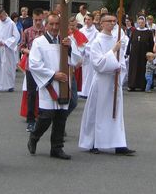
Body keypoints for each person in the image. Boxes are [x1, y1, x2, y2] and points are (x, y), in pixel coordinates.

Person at [27, 12, 82, 160]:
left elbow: (77, 59)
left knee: (61, 117)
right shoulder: (39, 42)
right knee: (46, 116)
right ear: (46, 25)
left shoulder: (66, 40)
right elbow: (34, 64)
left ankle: (57, 148)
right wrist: (52, 75)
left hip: (64, 84)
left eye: (57, 24)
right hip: (49, 84)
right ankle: (34, 137)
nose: (54, 27)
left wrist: (70, 48)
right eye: (51, 24)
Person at [78, 13, 135, 155]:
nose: (112, 23)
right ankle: (93, 142)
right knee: (98, 111)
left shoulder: (117, 39)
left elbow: (122, 60)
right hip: (101, 81)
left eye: (114, 21)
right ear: (101, 23)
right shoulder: (97, 41)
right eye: (108, 21)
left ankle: (118, 143)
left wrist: (119, 69)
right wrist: (113, 51)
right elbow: (97, 63)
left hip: (114, 80)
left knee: (115, 113)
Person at [19, 8, 45, 132]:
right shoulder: (27, 31)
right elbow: (21, 46)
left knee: (44, 92)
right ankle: (30, 119)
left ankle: (43, 116)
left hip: (44, 66)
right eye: (36, 20)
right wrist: (29, 52)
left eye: (40, 20)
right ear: (33, 19)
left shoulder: (47, 32)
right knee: (31, 93)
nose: (38, 22)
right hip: (31, 66)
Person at [0, 8, 20, 92]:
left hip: (8, 49)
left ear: (5, 14)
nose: (1, 18)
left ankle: (10, 85)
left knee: (8, 67)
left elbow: (16, 36)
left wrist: (7, 43)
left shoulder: (11, 24)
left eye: (2, 16)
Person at [126, 16, 154, 91]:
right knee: (133, 69)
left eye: (142, 23)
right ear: (137, 23)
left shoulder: (148, 32)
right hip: (134, 54)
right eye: (139, 23)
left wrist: (151, 54)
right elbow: (130, 42)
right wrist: (128, 52)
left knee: (143, 69)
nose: (141, 24)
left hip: (144, 54)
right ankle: (132, 85)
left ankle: (143, 85)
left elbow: (151, 43)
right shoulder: (134, 31)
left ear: (144, 23)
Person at [80, 13, 99, 98]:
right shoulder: (81, 30)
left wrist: (87, 47)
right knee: (83, 74)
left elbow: (95, 44)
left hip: (90, 54)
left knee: (89, 74)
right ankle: (82, 91)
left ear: (92, 20)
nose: (87, 21)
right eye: (86, 19)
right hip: (82, 54)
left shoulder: (96, 32)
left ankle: (88, 92)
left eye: (89, 19)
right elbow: (78, 42)